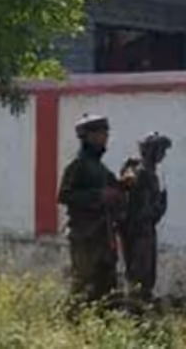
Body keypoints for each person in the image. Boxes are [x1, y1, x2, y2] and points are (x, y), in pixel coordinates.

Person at [58, 113, 123, 307]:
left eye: (106, 133)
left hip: (103, 236)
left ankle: (102, 321)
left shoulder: (101, 168)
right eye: (102, 133)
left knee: (107, 286)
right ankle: (72, 321)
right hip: (85, 237)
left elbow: (115, 189)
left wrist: (124, 184)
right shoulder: (78, 165)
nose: (106, 137)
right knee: (84, 285)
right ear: (89, 136)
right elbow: (65, 195)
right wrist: (98, 196)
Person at [117, 131, 171, 306]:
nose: (163, 155)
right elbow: (142, 210)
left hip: (144, 231)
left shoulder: (146, 173)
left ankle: (140, 307)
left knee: (146, 276)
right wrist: (160, 206)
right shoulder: (142, 175)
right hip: (138, 233)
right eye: (161, 150)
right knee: (140, 276)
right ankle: (135, 310)